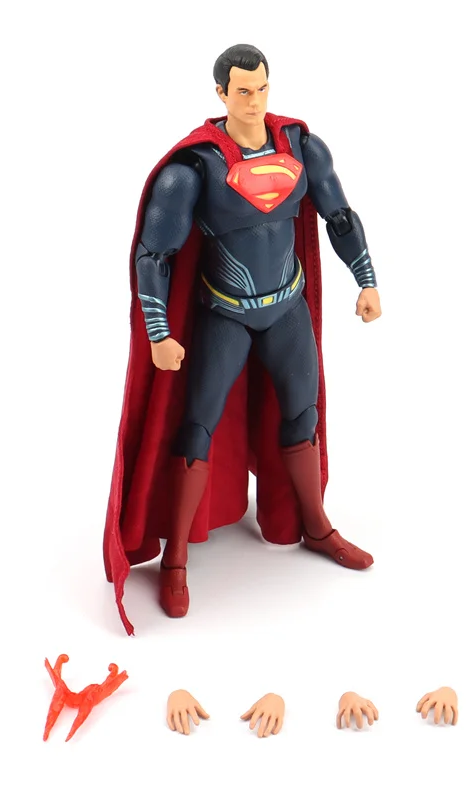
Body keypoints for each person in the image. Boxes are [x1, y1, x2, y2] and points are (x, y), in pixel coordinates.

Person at [103, 44, 382, 634]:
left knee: (302, 415)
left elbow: (338, 215)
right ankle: (176, 559)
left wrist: (366, 279)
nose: (254, 101)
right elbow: (155, 256)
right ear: (222, 94)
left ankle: (315, 526)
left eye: (262, 88)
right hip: (224, 314)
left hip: (287, 309)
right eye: (243, 91)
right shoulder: (194, 169)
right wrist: (159, 331)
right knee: (197, 427)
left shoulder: (300, 148)